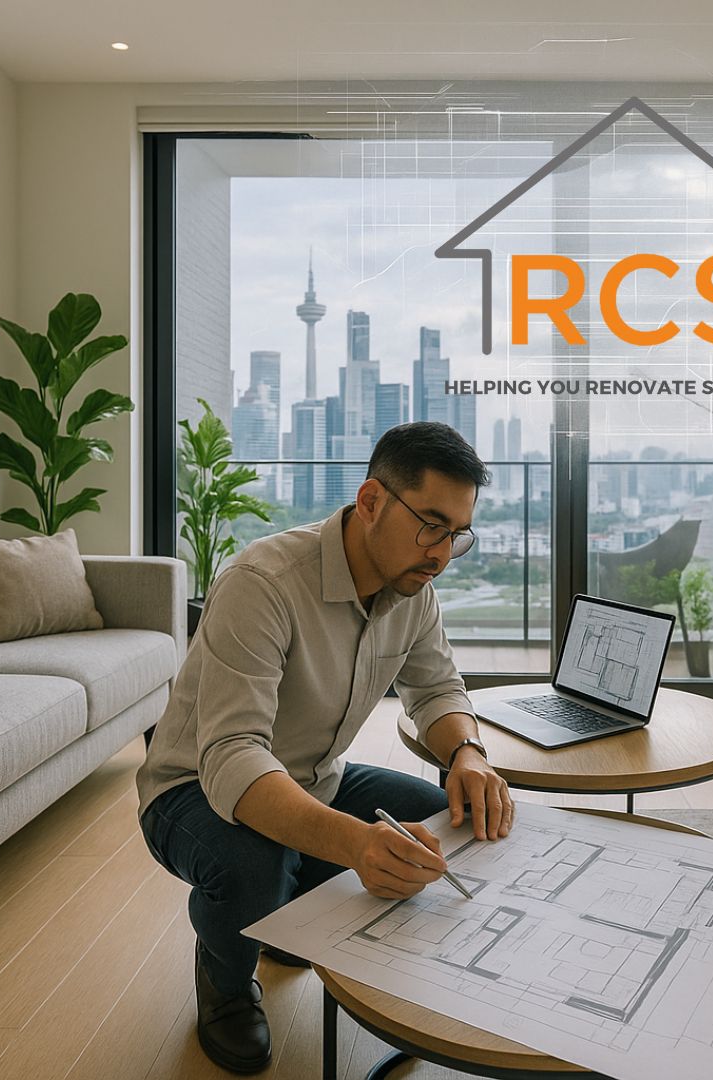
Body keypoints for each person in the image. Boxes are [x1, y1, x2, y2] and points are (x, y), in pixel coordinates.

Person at [136, 421, 514, 1074]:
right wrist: (353, 844)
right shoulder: (264, 583)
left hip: (315, 778)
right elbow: (232, 756)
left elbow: (437, 690)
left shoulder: (412, 587)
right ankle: (225, 979)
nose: (443, 553)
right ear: (371, 502)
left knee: (443, 822)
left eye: (457, 534)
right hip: (192, 788)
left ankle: (290, 911)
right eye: (431, 525)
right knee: (255, 866)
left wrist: (468, 756)